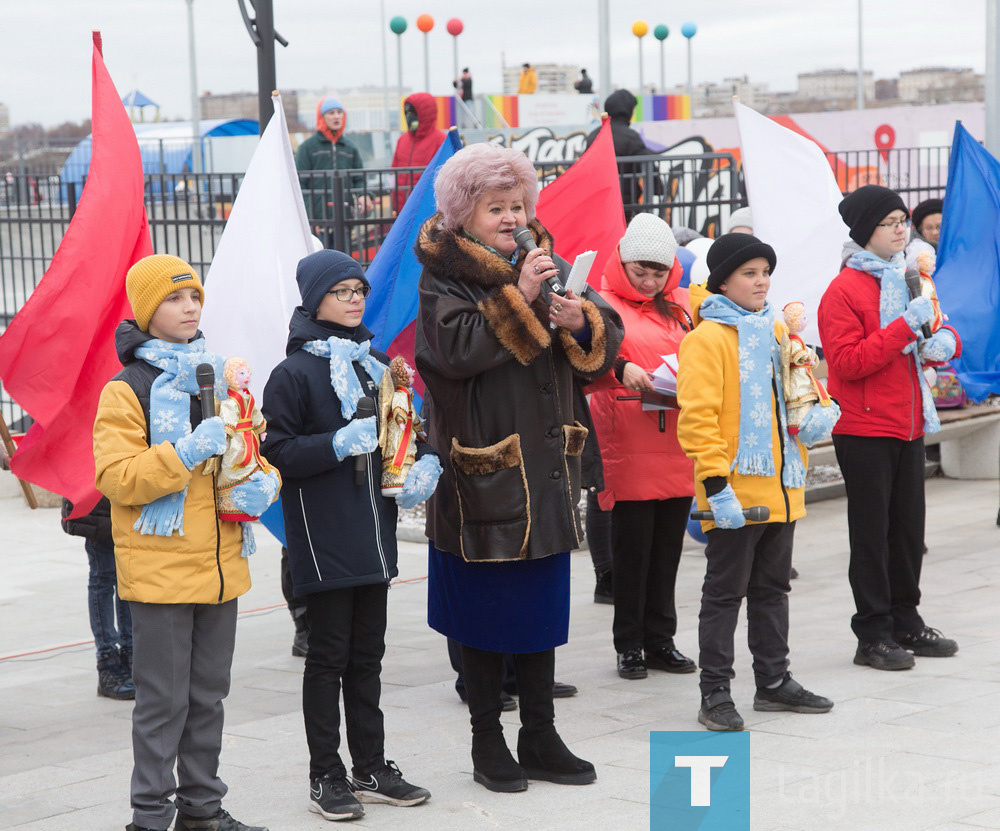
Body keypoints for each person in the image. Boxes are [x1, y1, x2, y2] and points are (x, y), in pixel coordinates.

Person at [414, 142, 624, 793]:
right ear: (461, 215)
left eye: (516, 205)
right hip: (484, 472)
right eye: (495, 207)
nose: (511, 218)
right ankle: (487, 740)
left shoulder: (544, 262)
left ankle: (540, 731)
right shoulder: (443, 276)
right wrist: (523, 298)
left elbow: (604, 340)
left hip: (547, 469)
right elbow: (454, 352)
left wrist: (580, 319)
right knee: (482, 617)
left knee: (539, 611)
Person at [261, 249, 440, 822]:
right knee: (329, 655)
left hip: (374, 528)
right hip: (323, 530)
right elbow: (277, 450)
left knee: (369, 655)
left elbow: (407, 426)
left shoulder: (378, 363)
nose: (356, 299)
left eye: (359, 289)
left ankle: (372, 764)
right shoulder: (292, 373)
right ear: (315, 300)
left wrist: (421, 463)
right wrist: (338, 441)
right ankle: (325, 774)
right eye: (342, 291)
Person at [93, 254, 271, 831]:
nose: (190, 307)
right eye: (174, 298)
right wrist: (188, 451)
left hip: (221, 564)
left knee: (208, 698)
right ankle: (149, 819)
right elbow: (117, 478)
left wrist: (259, 476)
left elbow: (244, 455)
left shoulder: (222, 375)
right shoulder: (127, 389)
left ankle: (202, 811)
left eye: (194, 295)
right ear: (147, 311)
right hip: (161, 571)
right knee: (162, 704)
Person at [677, 233, 835, 731]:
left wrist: (817, 414)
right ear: (723, 280)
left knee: (772, 589)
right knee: (724, 594)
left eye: (765, 271)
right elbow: (698, 418)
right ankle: (715, 693)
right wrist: (716, 485)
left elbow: (802, 388)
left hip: (781, 488)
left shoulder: (777, 332)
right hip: (735, 494)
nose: (761, 280)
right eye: (749, 272)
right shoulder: (706, 339)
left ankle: (773, 682)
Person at [818, 185, 961, 672]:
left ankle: (907, 618)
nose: (903, 229)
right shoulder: (842, 290)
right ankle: (873, 632)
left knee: (907, 530)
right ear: (864, 232)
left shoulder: (909, 275)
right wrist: (903, 327)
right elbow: (848, 361)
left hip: (908, 419)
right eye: (892, 222)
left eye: (904, 220)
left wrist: (944, 339)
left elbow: (938, 324)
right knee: (872, 533)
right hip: (864, 427)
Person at [587, 213, 696, 681]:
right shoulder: (598, 305)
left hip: (676, 437)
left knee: (668, 549)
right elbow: (583, 359)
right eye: (640, 271)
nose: (649, 281)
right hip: (628, 439)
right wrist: (620, 365)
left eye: (658, 272)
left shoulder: (682, 306)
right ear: (622, 263)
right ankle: (628, 644)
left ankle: (661, 639)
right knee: (632, 551)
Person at [61, 496, 135, 700]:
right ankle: (107, 661)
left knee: (127, 577)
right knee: (102, 578)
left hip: (124, 501)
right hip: (94, 506)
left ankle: (131, 653)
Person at [295, 96, 372, 241]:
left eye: (339, 112)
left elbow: (359, 179)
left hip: (344, 219)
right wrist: (310, 218)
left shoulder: (350, 148)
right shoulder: (307, 148)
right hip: (318, 221)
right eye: (331, 113)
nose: (336, 116)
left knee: (344, 258)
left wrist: (364, 194)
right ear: (321, 117)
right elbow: (300, 185)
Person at [584, 90, 658, 219]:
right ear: (627, 111)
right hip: (624, 205)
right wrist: (658, 188)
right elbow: (648, 167)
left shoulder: (594, 135)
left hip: (596, 202)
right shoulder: (631, 137)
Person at [390, 92, 446, 213]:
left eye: (413, 113)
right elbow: (393, 173)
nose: (409, 117)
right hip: (402, 211)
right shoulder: (402, 140)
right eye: (407, 113)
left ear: (424, 114)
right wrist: (394, 205)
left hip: (426, 211)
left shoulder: (440, 140)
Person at [906, 197, 943, 272]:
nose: (935, 232)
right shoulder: (916, 253)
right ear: (920, 231)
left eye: (939, 227)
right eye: (929, 228)